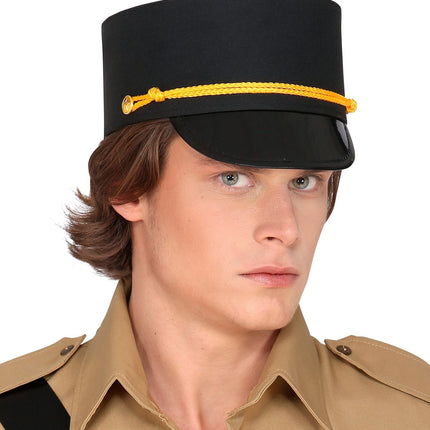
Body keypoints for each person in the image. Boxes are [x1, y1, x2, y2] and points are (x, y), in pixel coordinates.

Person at [0, 0, 429, 429]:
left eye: (304, 181)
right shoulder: (18, 416)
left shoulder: (407, 415)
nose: (286, 229)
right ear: (127, 188)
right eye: (232, 178)